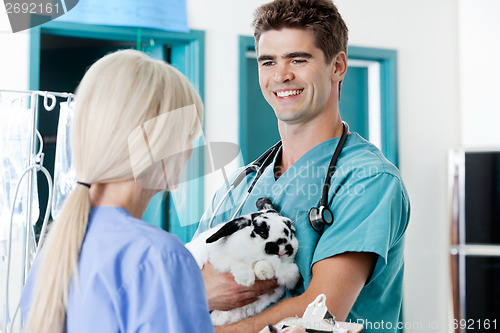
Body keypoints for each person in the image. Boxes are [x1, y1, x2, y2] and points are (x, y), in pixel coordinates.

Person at [195, 0, 411, 332]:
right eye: (268, 61)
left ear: (337, 66)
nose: (281, 75)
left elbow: (322, 310)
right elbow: (192, 278)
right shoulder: (241, 186)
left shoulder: (368, 180)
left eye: (298, 59)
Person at [20, 50, 214, 333]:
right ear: (155, 141)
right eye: (187, 134)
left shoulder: (51, 258)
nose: (189, 151)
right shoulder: (158, 258)